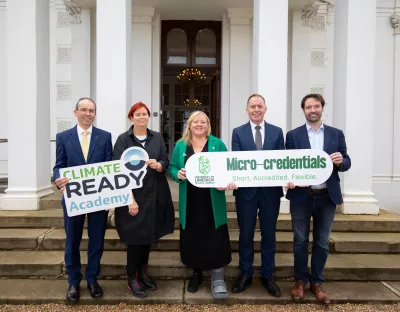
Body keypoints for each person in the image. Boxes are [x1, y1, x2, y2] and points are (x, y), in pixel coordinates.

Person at [285, 93, 351, 305]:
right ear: (303, 110)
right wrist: (290, 179)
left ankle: (317, 282)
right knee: (300, 241)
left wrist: (341, 161)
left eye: (316, 106)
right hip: (301, 196)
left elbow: (347, 161)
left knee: (322, 243)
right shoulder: (293, 135)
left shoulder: (336, 134)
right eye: (308, 107)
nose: (312, 110)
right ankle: (300, 281)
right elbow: (287, 163)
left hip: (326, 197)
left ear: (322, 108)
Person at [53, 97, 113, 304]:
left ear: (95, 114)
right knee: (72, 241)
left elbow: (109, 166)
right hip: (74, 198)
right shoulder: (63, 137)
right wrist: (58, 179)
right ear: (75, 112)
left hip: (98, 199)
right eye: (84, 110)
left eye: (92, 111)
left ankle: (93, 279)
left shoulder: (105, 137)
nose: (88, 114)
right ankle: (73, 281)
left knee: (96, 241)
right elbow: (58, 165)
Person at [112, 102, 174, 298]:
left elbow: (166, 161)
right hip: (134, 197)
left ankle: (143, 274)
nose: (142, 117)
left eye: (144, 114)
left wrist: (159, 165)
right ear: (131, 118)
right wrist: (130, 199)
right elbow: (118, 171)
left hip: (155, 194)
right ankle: (132, 278)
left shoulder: (156, 138)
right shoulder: (123, 140)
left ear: (149, 117)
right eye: (137, 114)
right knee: (134, 239)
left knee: (148, 236)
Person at [169, 111, 232, 299]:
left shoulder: (217, 144)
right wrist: (176, 174)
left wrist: (226, 182)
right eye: (195, 122)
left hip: (212, 199)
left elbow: (228, 167)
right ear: (189, 125)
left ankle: (218, 276)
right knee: (194, 237)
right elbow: (172, 166)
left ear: (208, 125)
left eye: (203, 122)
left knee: (215, 236)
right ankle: (196, 274)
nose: (199, 124)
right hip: (190, 200)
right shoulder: (181, 145)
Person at [231, 94, 284, 297]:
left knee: (269, 235)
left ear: (265, 109)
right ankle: (245, 274)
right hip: (246, 192)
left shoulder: (277, 132)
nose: (256, 109)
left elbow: (282, 161)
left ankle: (267, 275)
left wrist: (288, 177)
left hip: (270, 192)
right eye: (252, 106)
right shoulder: (238, 133)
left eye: (259, 106)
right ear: (247, 109)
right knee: (245, 234)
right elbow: (235, 162)